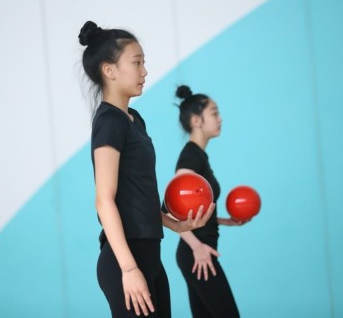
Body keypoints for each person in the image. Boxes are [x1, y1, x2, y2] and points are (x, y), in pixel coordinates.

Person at [78, 21, 214, 318]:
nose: (145, 71)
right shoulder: (109, 122)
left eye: (144, 63)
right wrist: (128, 268)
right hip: (125, 260)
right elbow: (104, 199)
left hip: (150, 255)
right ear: (109, 70)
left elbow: (136, 195)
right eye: (136, 63)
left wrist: (175, 225)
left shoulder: (134, 119)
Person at [167, 85, 248, 317]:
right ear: (196, 120)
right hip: (197, 252)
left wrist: (222, 220)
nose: (220, 118)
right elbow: (172, 210)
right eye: (214, 113)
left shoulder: (198, 155)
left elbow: (191, 210)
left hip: (196, 251)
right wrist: (197, 247)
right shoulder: (191, 156)